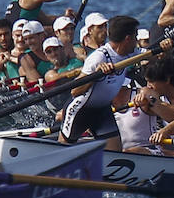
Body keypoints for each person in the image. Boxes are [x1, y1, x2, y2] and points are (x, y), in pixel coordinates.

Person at [60, 16, 140, 149]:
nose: (137, 41)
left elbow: (153, 54)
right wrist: (95, 76)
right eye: (135, 37)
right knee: (61, 152)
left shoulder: (131, 53)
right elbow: (75, 91)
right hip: (81, 109)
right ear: (127, 39)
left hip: (102, 110)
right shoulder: (98, 57)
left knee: (116, 153)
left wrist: (165, 47)